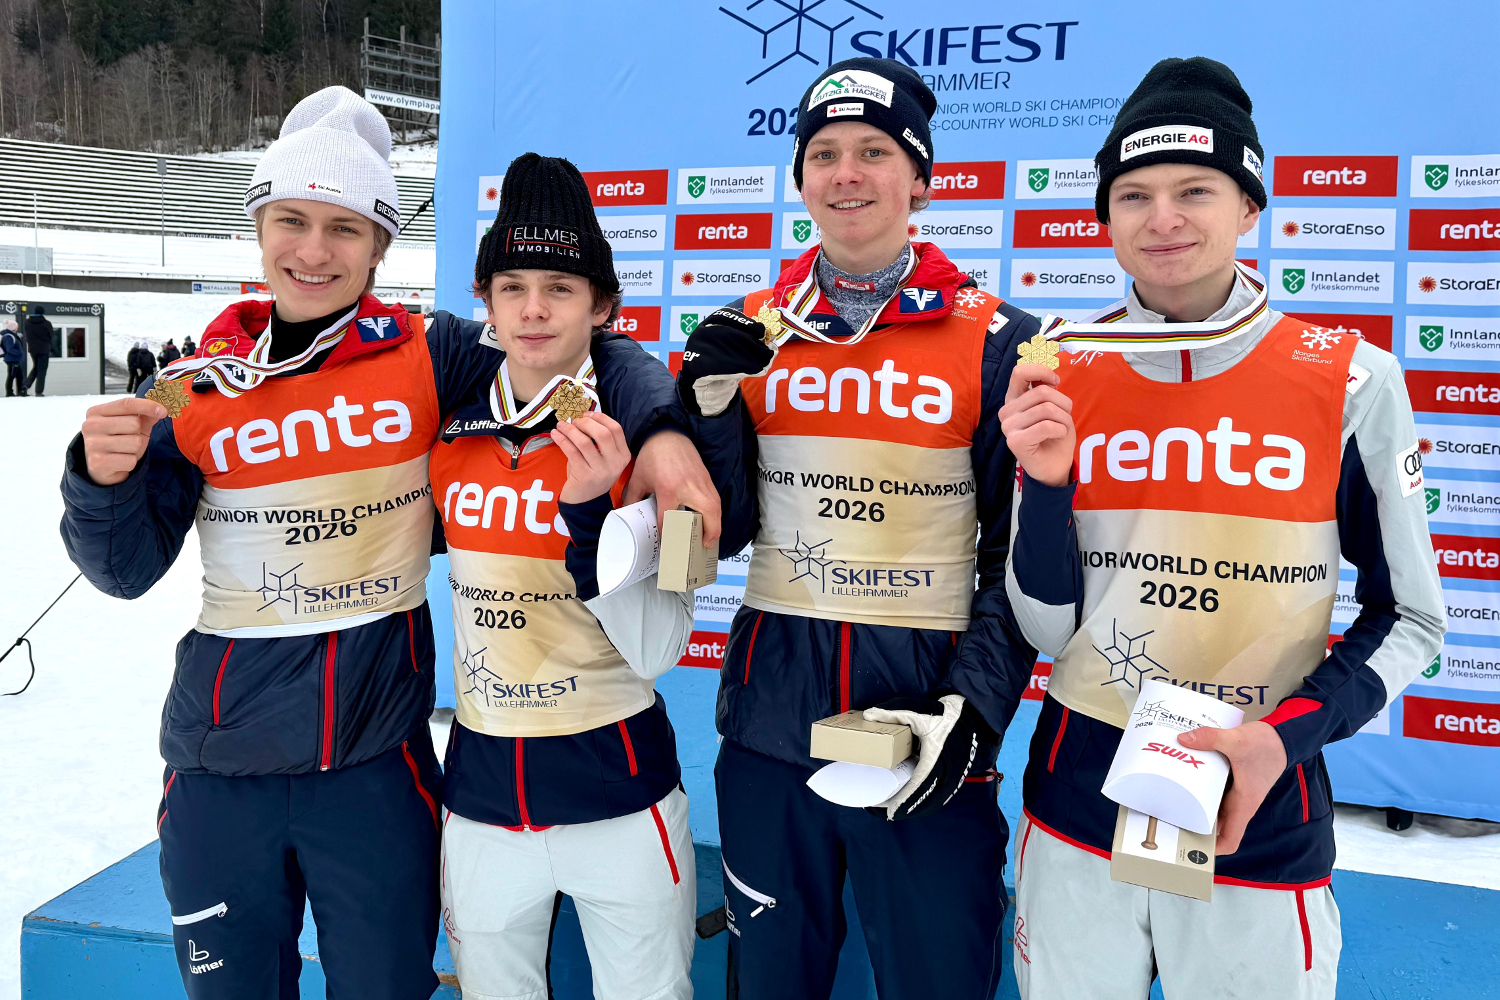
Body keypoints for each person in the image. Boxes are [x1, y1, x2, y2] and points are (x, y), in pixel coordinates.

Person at [59, 86, 718, 1000]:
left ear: (379, 245)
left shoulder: (428, 353)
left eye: (345, 228)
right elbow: (124, 570)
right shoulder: (193, 386)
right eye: (292, 221)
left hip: (373, 761)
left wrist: (665, 430)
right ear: (258, 227)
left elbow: (569, 343)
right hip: (223, 765)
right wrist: (96, 480)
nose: (314, 251)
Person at [998, 57, 1445, 999]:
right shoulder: (1060, 367)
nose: (1162, 218)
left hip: (1259, 801)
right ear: (1105, 218)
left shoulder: (1351, 378)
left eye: (1194, 191)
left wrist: (1285, 738)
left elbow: (1411, 619)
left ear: (1248, 207)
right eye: (1134, 195)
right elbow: (1044, 628)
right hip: (1079, 794)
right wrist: (1046, 486)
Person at [675, 57, 1042, 998]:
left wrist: (974, 713)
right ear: (800, 178)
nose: (847, 173)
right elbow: (727, 529)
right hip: (770, 731)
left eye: (875, 152)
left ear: (920, 179)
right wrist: (707, 411)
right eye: (825, 153)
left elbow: (1020, 560)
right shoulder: (748, 331)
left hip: (922, 735)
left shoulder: (999, 340)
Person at [434, 153, 725, 1000]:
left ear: (601, 305)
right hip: (482, 795)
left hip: (620, 793)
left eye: (560, 288)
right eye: (513, 286)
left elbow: (661, 647)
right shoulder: (446, 423)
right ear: (485, 300)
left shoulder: (649, 435)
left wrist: (595, 515)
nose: (533, 309)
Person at [23, 305, 53, 396]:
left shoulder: (27, 322)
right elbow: (51, 335)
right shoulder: (46, 323)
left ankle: (26, 385)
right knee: (42, 370)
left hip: (32, 349)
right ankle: (39, 391)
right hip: (44, 349)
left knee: (36, 367)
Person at [2, 318, 23, 396]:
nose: (17, 328)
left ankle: (20, 391)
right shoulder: (8, 336)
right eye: (16, 327)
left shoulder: (12, 335)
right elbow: (9, 349)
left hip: (15, 359)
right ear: (12, 327)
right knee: (11, 376)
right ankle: (9, 392)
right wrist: (19, 352)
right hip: (12, 359)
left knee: (19, 376)